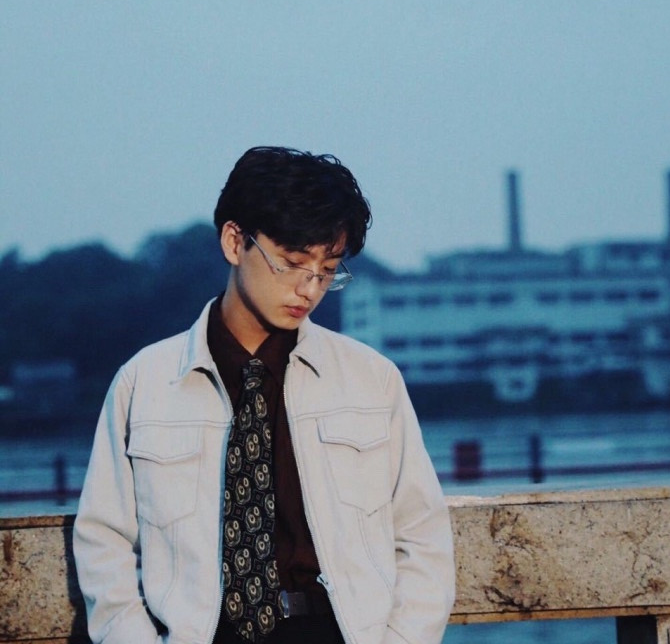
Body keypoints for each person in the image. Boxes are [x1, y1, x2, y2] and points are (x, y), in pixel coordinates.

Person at [73, 146, 455, 644]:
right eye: (292, 263)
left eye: (327, 270)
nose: (309, 289)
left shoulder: (371, 380)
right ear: (235, 242)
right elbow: (103, 541)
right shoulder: (144, 382)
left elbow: (423, 537)